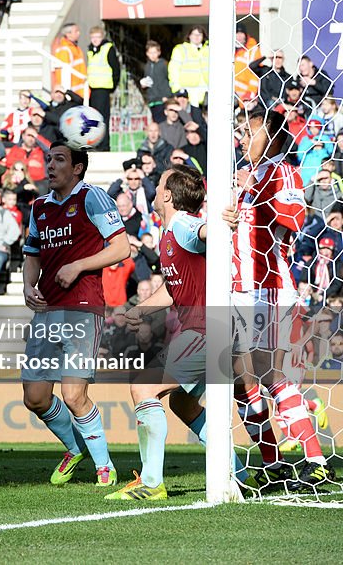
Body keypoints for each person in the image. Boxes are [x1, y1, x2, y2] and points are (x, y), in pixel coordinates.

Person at [108, 166, 238, 500]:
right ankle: (238, 472)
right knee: (183, 402)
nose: (154, 187)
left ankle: (151, 484)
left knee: (143, 387)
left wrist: (221, 223)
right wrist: (139, 310)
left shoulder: (182, 223)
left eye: (160, 182)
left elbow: (204, 230)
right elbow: (173, 288)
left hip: (207, 329)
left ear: (167, 194)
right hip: (211, 328)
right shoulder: (170, 232)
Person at [223, 110, 334, 491]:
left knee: (272, 377)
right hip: (240, 291)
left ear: (271, 138)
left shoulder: (280, 171)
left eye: (250, 132)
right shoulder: (245, 180)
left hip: (268, 288)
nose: (242, 138)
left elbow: (292, 221)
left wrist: (247, 205)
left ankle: (316, 461)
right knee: (240, 382)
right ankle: (273, 464)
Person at [22, 140, 130, 489]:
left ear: (78, 168)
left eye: (59, 160)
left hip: (83, 308)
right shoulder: (39, 207)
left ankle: (105, 466)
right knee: (35, 397)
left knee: (73, 395)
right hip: (47, 309)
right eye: (48, 159)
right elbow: (32, 255)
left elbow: (122, 247)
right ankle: (74, 448)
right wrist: (28, 286)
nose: (50, 166)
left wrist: (78, 265)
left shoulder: (92, 198)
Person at [85, 25, 119, 150]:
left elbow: (116, 68)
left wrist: (112, 86)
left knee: (102, 118)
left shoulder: (107, 48)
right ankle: (96, 143)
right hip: (93, 88)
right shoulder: (91, 50)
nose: (95, 39)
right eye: (93, 37)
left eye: (97, 37)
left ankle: (103, 145)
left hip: (103, 88)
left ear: (102, 37)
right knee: (94, 118)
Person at [52, 23, 87, 99]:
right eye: (76, 31)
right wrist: (65, 92)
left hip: (79, 92)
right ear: (68, 34)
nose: (79, 33)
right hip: (72, 93)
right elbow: (61, 73)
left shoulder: (75, 48)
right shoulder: (64, 50)